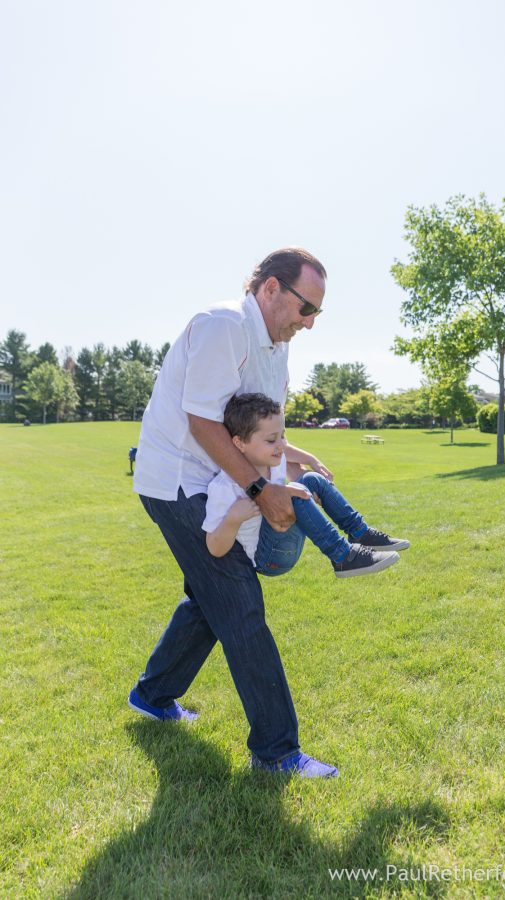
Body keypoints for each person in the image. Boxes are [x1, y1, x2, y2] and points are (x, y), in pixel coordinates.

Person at [129, 248, 342, 778]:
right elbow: (202, 423)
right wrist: (258, 489)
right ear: (271, 288)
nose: (309, 322)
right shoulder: (223, 325)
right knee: (240, 602)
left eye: (317, 312)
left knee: (211, 595)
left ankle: (153, 695)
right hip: (175, 483)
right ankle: (277, 752)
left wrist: (295, 456)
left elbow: (255, 432)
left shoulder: (275, 349)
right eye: (305, 307)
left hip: (214, 482)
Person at [204, 393, 410, 578]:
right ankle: (343, 556)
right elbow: (214, 548)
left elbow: (287, 453)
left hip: (284, 535)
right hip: (268, 557)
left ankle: (361, 533)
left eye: (282, 436)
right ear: (239, 443)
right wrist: (233, 518)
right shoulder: (224, 487)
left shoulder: (275, 464)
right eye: (271, 440)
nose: (281, 445)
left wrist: (311, 461)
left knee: (312, 480)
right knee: (294, 493)